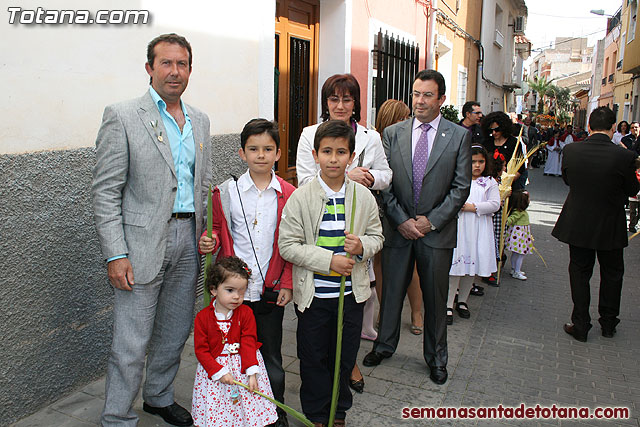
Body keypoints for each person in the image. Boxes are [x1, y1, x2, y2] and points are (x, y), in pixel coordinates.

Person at [92, 33, 211, 427]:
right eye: (166, 63)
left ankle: (158, 397)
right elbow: (106, 192)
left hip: (187, 243)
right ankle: (117, 417)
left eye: (182, 64)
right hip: (138, 245)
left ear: (190, 70)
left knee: (174, 332)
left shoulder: (201, 121)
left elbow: (200, 183)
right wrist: (115, 253)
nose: (174, 71)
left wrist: (205, 231)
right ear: (149, 68)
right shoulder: (123, 115)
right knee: (131, 342)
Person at [363, 69, 471, 386]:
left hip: (436, 234)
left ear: (441, 99)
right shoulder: (394, 133)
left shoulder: (458, 136)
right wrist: (401, 220)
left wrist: (430, 221)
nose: (420, 101)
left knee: (435, 300)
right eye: (416, 94)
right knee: (391, 292)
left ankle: (437, 358)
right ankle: (384, 345)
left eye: (427, 95)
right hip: (399, 230)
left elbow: (460, 187)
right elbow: (386, 184)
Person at [278, 120, 384, 426]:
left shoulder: (363, 198)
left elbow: (378, 237)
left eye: (341, 152)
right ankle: (317, 414)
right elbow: (288, 245)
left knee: (344, 355)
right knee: (313, 357)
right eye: (327, 151)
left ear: (351, 157)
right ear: (315, 154)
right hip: (314, 298)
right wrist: (329, 261)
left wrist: (362, 244)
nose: (334, 158)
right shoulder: (302, 197)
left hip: (351, 296)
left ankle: (337, 411)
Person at [296, 74, 391, 396]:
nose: (340, 105)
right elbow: (305, 177)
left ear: (355, 104)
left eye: (346, 99)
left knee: (355, 295)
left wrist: (365, 178)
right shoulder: (309, 134)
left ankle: (348, 363)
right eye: (333, 99)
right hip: (320, 224)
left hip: (358, 216)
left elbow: (386, 175)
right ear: (326, 102)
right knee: (319, 330)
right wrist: (343, 172)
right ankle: (330, 380)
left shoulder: (370, 137)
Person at [197, 119, 295, 427]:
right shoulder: (226, 193)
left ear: (278, 153)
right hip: (232, 293)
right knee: (232, 353)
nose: (261, 155)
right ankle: (235, 411)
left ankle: (274, 411)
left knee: (270, 355)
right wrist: (207, 240)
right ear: (242, 153)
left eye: (268, 149)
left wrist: (288, 283)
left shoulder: (289, 194)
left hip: (269, 289)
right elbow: (214, 229)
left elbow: (293, 242)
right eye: (253, 149)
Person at [552, 107, 640, 342]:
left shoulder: (571, 150)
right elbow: (633, 189)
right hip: (610, 223)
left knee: (579, 271)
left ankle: (580, 323)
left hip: (579, 221)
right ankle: (609, 323)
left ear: (589, 126)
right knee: (612, 273)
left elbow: (568, 180)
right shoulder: (625, 156)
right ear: (613, 129)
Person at [192, 256, 278, 427]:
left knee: (245, 406)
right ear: (214, 290)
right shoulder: (203, 318)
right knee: (220, 411)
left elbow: (248, 341)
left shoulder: (245, 313)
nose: (237, 297)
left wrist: (251, 372)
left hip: (242, 367)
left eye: (241, 291)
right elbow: (201, 350)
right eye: (230, 290)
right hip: (217, 373)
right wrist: (218, 371)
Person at [374, 99, 425, 337]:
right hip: (379, 208)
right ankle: (386, 312)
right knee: (380, 265)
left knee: (410, 265)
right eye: (403, 116)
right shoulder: (377, 140)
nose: (408, 121)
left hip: (404, 210)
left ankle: (416, 312)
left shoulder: (413, 140)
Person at [446, 145, 499, 324]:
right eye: (473, 162)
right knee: (456, 266)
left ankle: (462, 301)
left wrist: (473, 207)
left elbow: (495, 204)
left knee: (471, 268)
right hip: (461, 227)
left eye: (481, 162)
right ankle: (447, 303)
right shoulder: (458, 179)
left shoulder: (490, 182)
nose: (477, 166)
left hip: (479, 228)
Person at [481, 112, 526, 190]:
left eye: (497, 130)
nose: (494, 133)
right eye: (491, 130)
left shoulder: (513, 142)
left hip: (509, 186)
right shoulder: (487, 143)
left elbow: (520, 167)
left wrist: (506, 182)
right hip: (488, 184)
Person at [505, 190, 534, 281]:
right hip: (520, 238)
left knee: (515, 254)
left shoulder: (518, 211)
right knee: (520, 254)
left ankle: (514, 269)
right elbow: (509, 220)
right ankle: (517, 271)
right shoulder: (520, 212)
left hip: (518, 237)